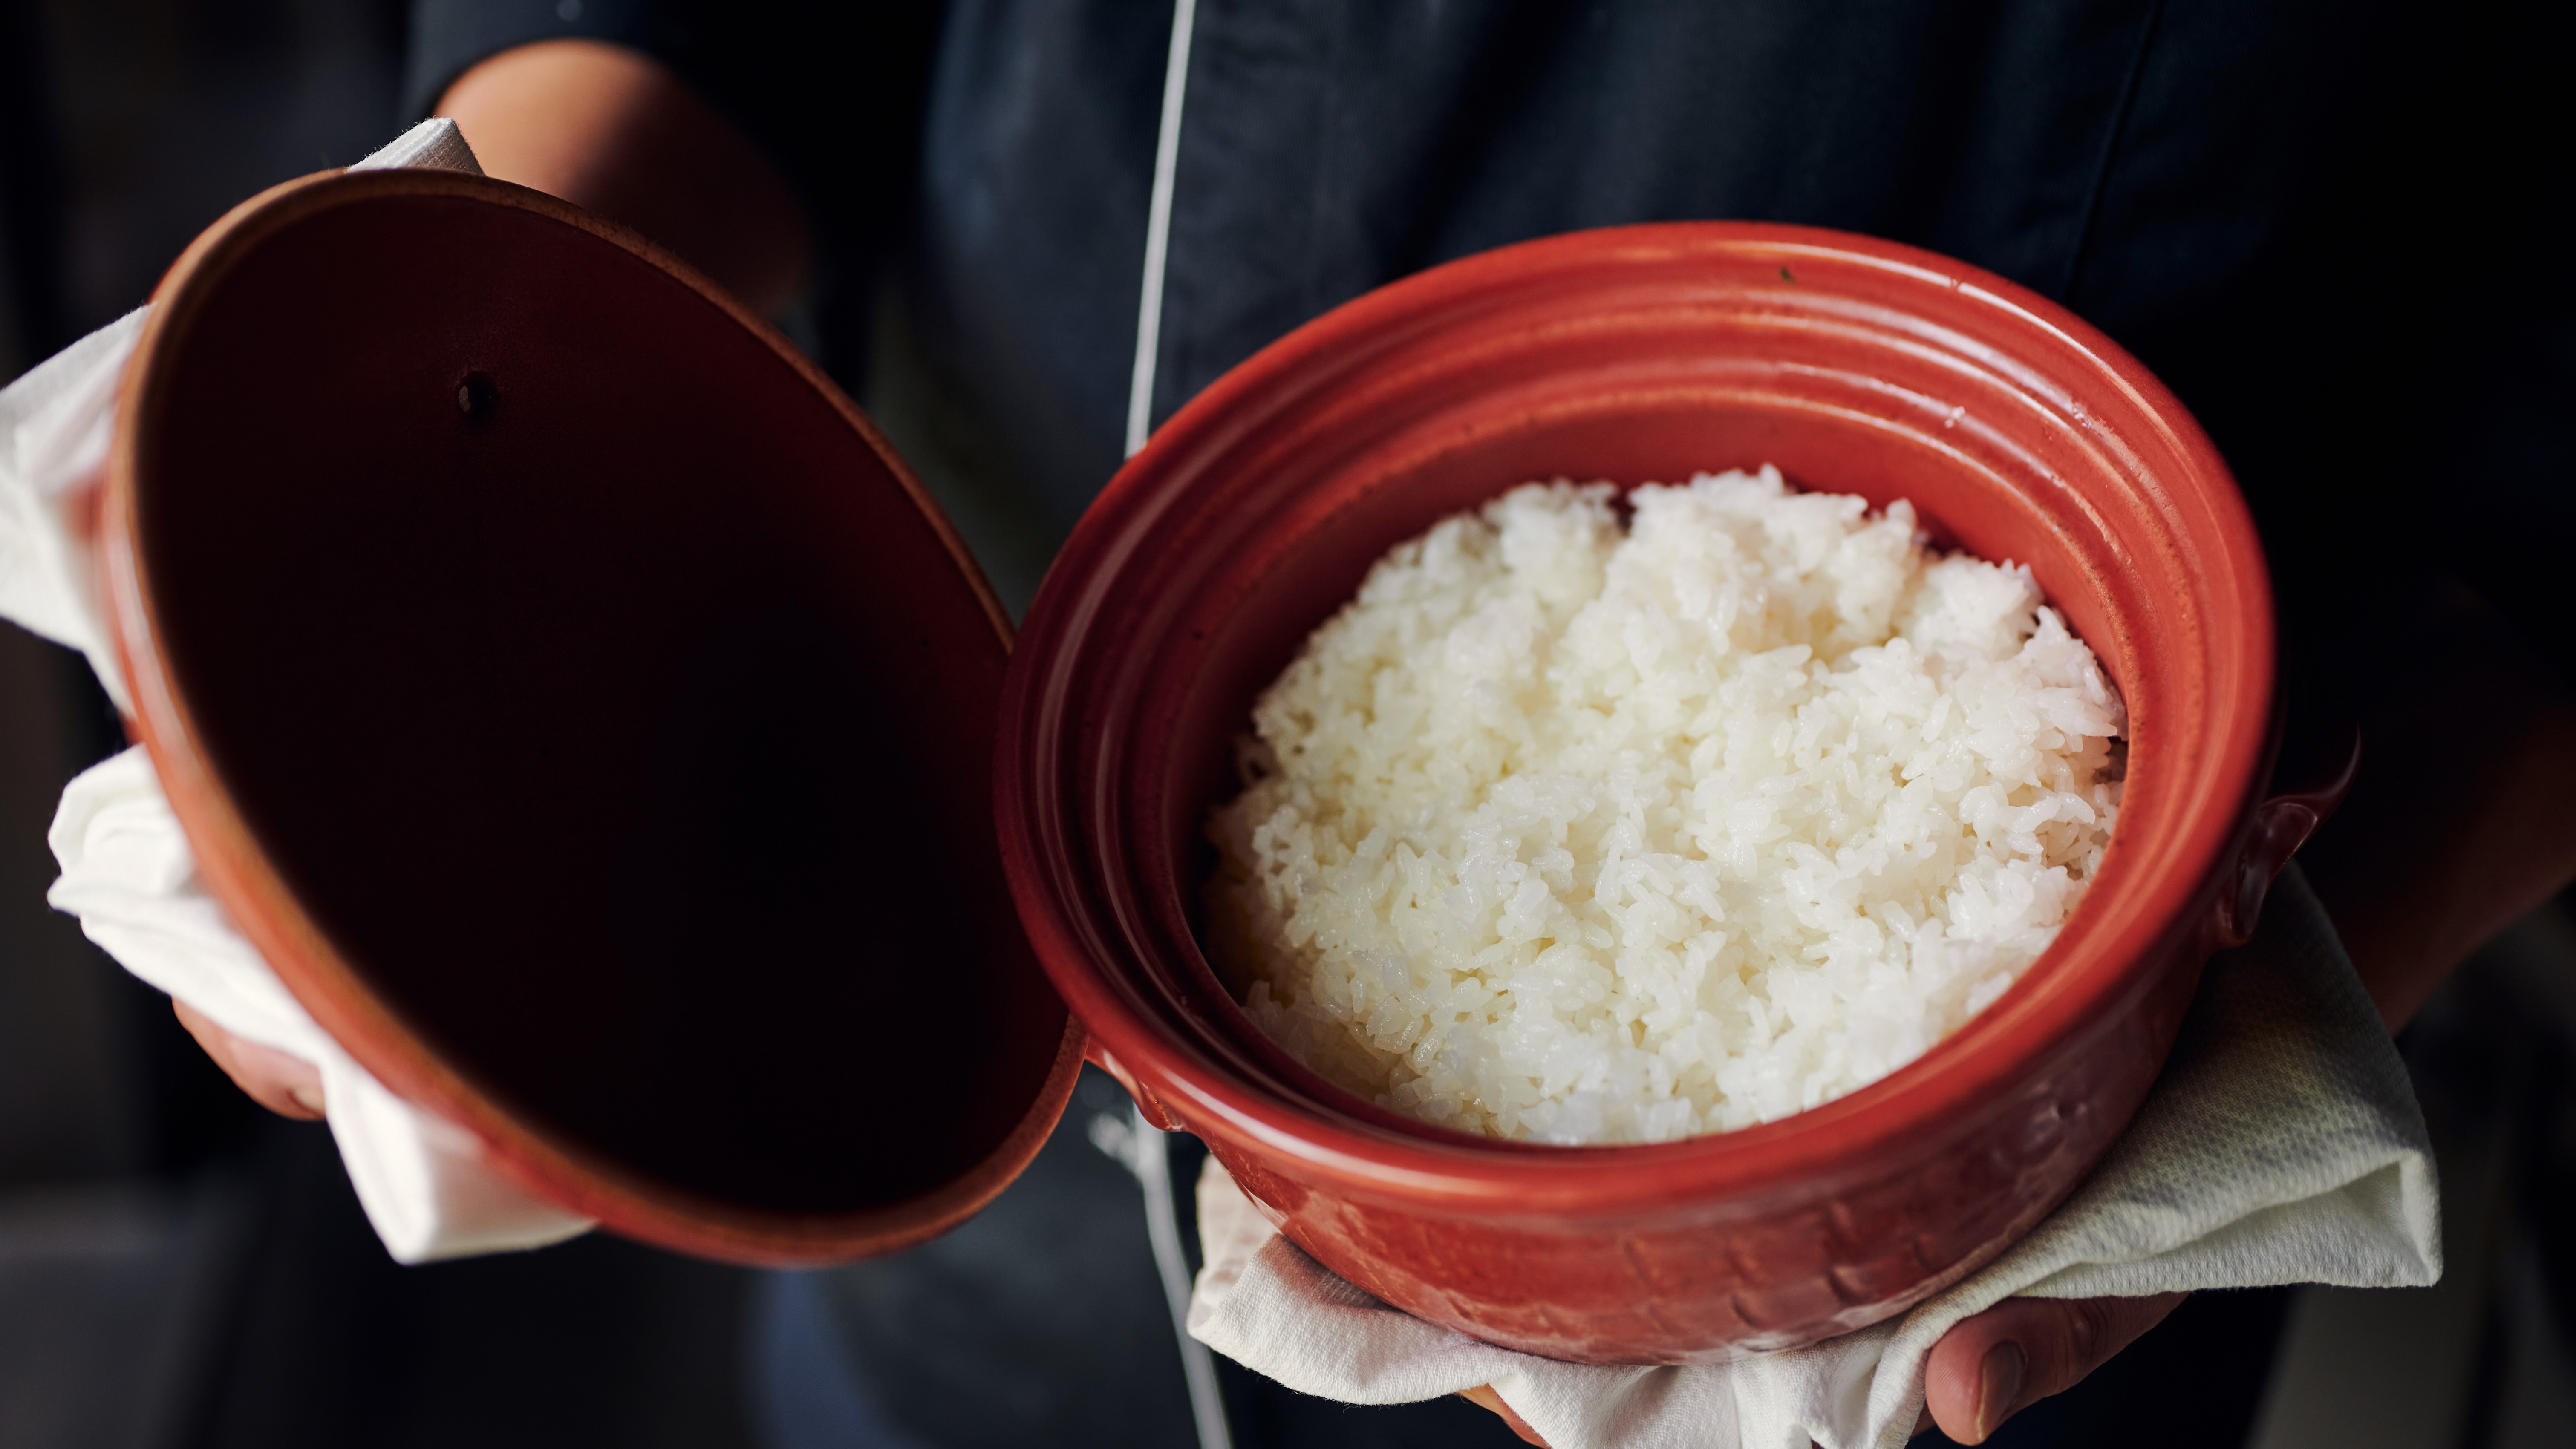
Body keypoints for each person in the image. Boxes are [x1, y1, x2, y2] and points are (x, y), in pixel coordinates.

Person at [174, 2, 2576, 1445]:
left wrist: (2315, 970)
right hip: (979, 1066)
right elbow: (694, 31)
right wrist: (490, 438)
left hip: (1958, 1232)